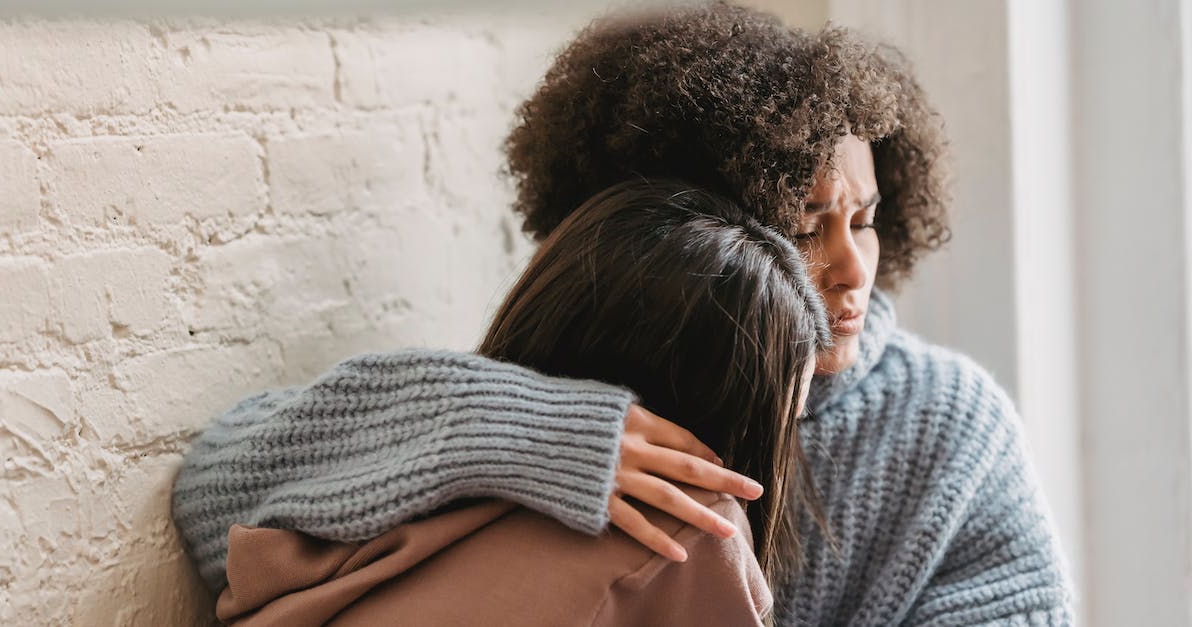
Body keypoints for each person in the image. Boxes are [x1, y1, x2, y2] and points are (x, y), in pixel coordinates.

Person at [174, 3, 1075, 624]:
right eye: (803, 226)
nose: (852, 269)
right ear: (698, 230)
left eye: (866, 219)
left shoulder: (949, 428)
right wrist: (532, 432)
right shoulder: (570, 386)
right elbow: (214, 497)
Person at [201, 180, 830, 626]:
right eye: (783, 423)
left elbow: (210, 497)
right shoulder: (695, 533)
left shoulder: (409, 491)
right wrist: (547, 431)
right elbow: (205, 489)